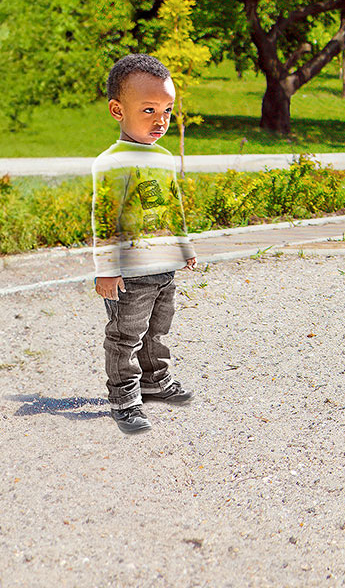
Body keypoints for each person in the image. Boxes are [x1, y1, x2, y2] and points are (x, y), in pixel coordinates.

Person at [92, 53, 198, 434]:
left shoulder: (165, 158)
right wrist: (106, 269)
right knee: (125, 335)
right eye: (149, 109)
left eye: (167, 110)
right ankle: (124, 397)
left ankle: (155, 380)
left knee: (157, 329)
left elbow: (172, 207)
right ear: (117, 109)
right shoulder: (112, 162)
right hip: (130, 274)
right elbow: (104, 217)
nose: (161, 119)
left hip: (163, 267)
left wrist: (183, 246)